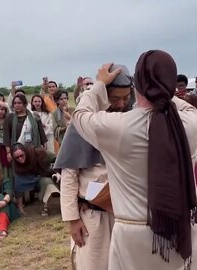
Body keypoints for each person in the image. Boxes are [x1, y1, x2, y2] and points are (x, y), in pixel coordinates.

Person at [72, 51, 197, 269]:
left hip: (134, 235)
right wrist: (162, 89)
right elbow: (186, 106)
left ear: (137, 86)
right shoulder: (190, 122)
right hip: (183, 229)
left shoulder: (118, 127)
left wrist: (99, 85)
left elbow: (80, 114)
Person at [56, 63, 133, 270]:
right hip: (93, 216)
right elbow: (69, 174)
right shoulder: (83, 123)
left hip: (126, 214)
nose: (121, 103)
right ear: (104, 95)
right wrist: (72, 220)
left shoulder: (131, 120)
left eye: (126, 98)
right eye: (115, 98)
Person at [11, 143, 60, 215]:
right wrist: (20, 207)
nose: (20, 158)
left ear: (25, 152)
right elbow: (19, 186)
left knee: (46, 182)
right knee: (19, 180)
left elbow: (57, 159)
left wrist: (58, 171)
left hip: (45, 175)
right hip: (30, 179)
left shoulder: (38, 153)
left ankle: (45, 206)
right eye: (17, 157)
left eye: (21, 155)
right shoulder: (16, 166)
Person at [3, 94, 48, 162]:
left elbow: (42, 134)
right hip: (17, 152)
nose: (17, 105)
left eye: (19, 103)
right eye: (15, 103)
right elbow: (7, 136)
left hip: (33, 150)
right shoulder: (10, 117)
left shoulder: (34, 116)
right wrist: (8, 153)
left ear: (25, 104)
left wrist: (44, 149)